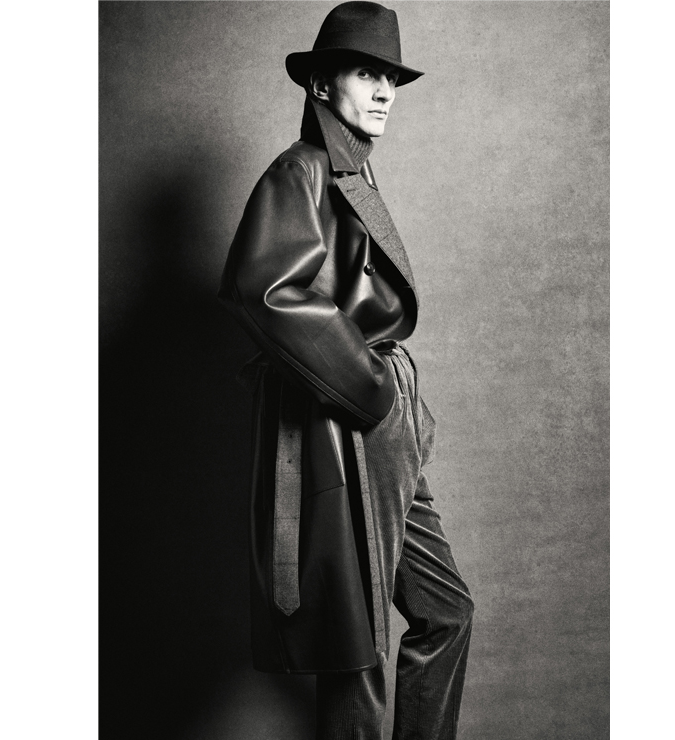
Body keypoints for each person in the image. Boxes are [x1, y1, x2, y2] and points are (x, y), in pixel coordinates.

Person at [218, 3, 473, 738]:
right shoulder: (300, 170)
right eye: (367, 74)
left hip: (382, 417)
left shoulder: (351, 170)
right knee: (358, 643)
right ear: (321, 85)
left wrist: (395, 400)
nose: (385, 90)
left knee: (446, 612)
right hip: (351, 419)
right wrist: (372, 390)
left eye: (391, 77)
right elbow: (264, 288)